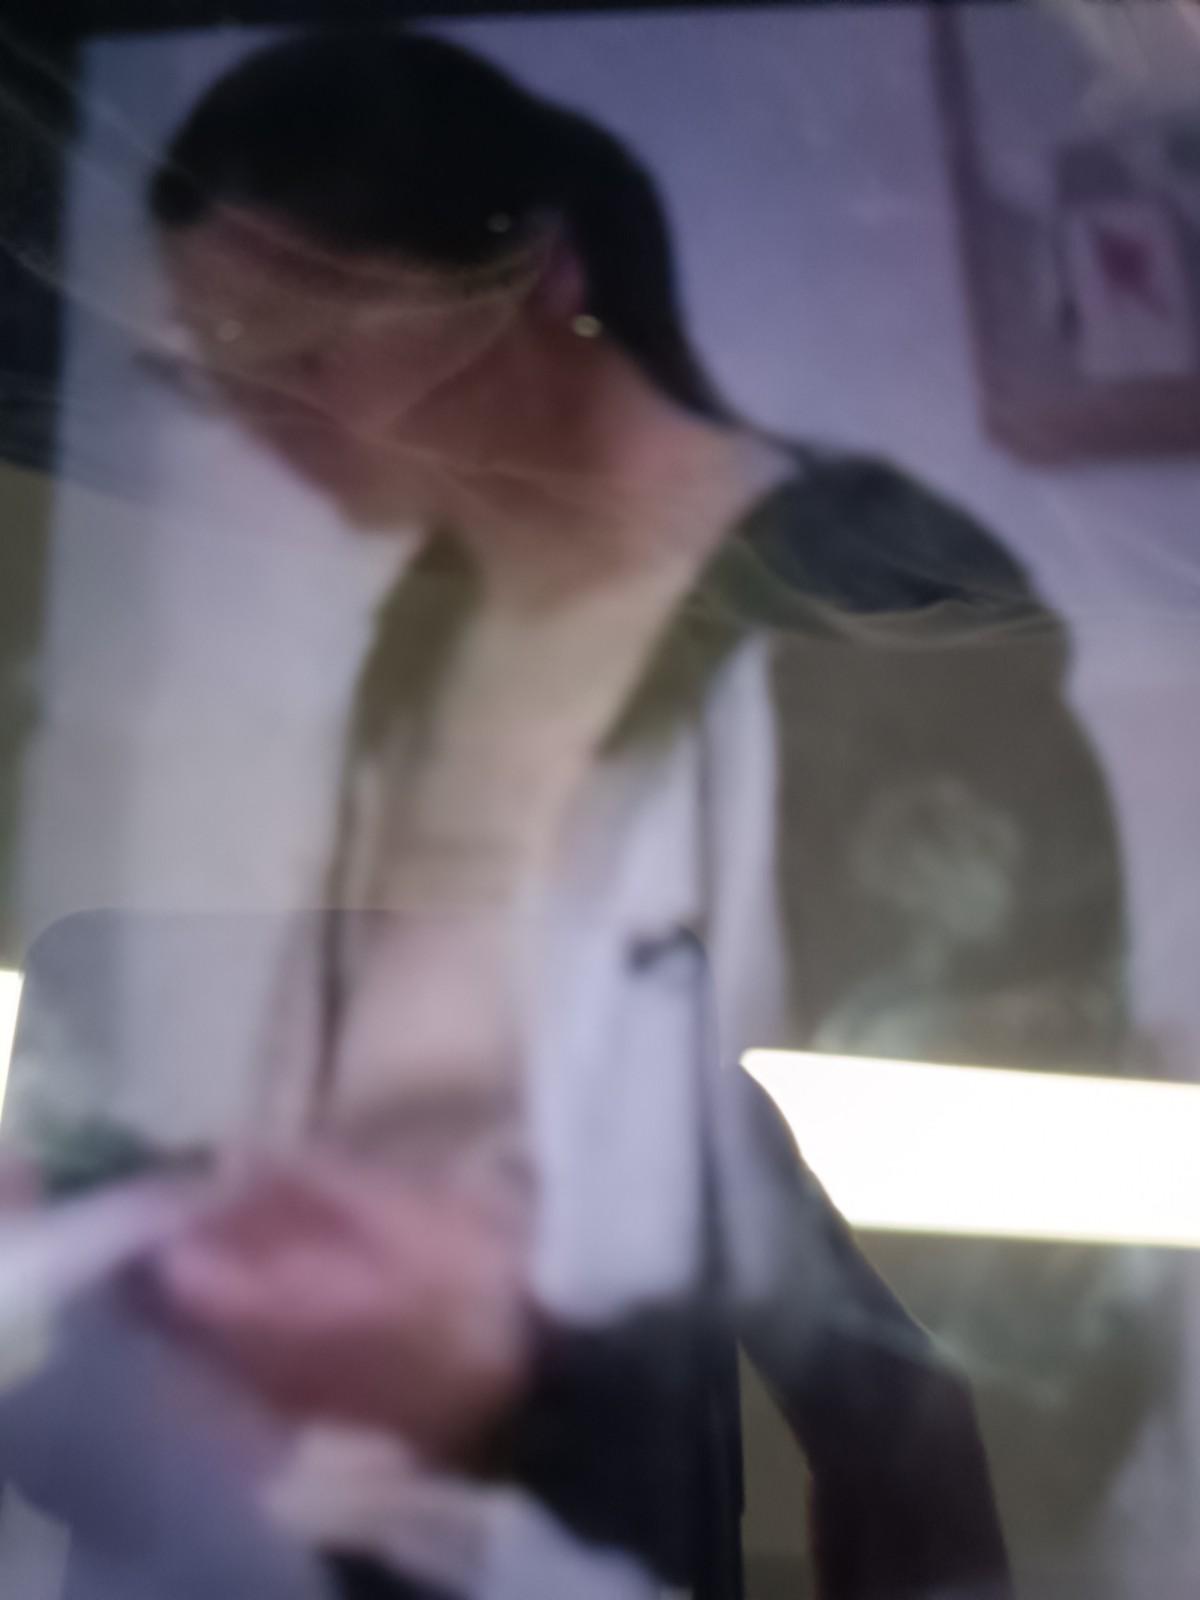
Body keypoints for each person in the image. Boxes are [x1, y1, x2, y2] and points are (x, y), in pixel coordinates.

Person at [20, 24, 1147, 1600]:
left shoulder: (867, 617)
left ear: (538, 276)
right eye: (213, 369)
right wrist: (149, 1210)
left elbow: (997, 1324)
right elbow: (443, 1102)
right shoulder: (431, 626)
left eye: (308, 350)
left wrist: (515, 1371)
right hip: (395, 1517)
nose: (265, 418)